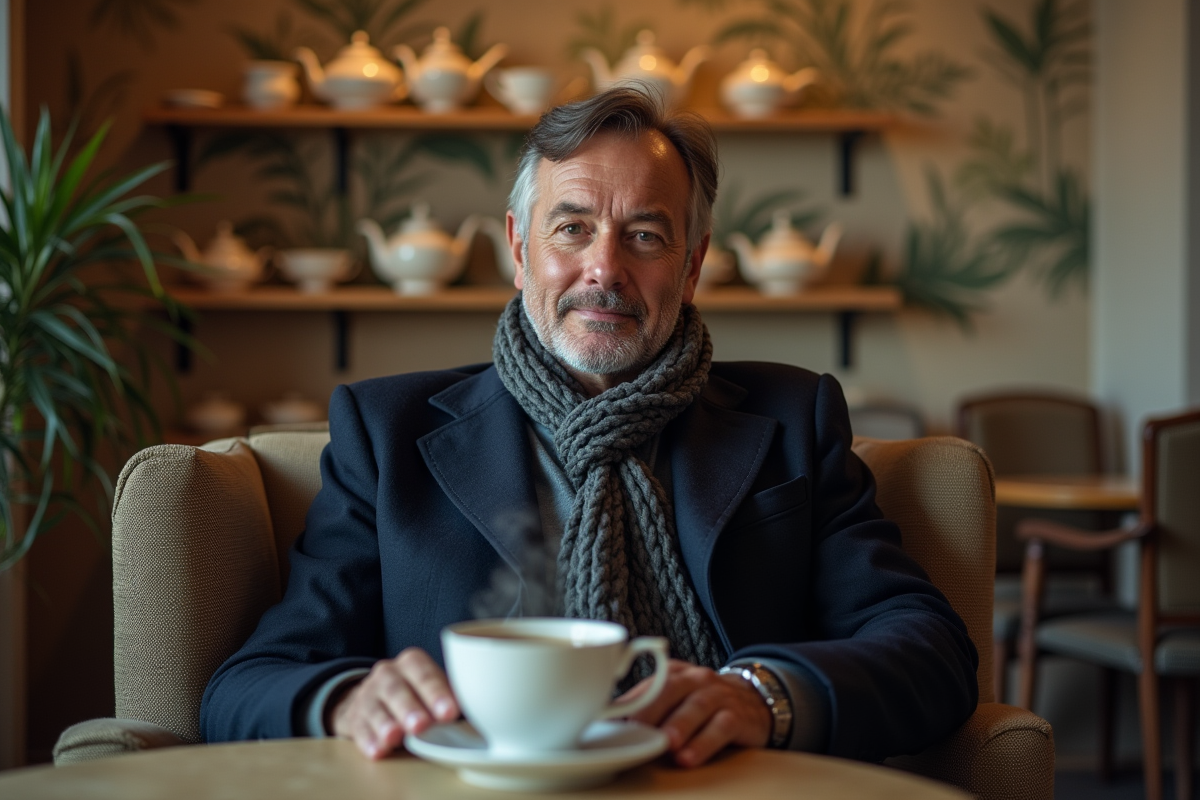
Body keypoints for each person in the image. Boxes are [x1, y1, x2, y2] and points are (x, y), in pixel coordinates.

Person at [201, 87, 978, 767]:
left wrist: (765, 696)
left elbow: (932, 652)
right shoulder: (385, 433)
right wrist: (345, 700)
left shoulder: (794, 420)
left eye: (644, 235)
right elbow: (245, 686)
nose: (604, 268)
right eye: (571, 228)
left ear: (693, 264)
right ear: (518, 248)